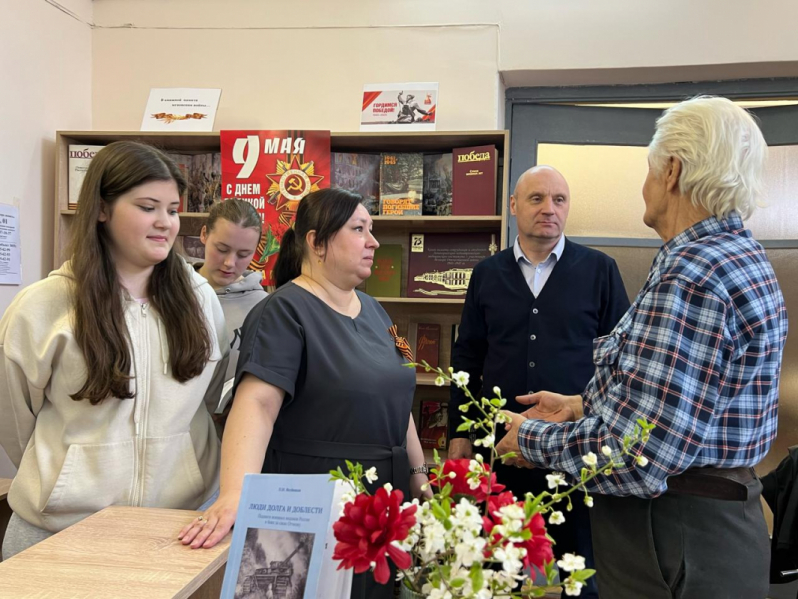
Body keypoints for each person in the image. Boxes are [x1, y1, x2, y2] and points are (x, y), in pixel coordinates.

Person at [497, 96, 788, 599]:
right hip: (700, 527)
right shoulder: (732, 256)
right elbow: (683, 404)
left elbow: (638, 455)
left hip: (675, 534)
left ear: (672, 170)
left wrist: (529, 439)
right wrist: (582, 406)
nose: (645, 186)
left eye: (650, 169)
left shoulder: (693, 275)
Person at [179, 188, 430, 599]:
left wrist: (420, 477)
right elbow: (256, 405)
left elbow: (397, 401)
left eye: (372, 230)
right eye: (359, 229)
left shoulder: (374, 311)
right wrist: (235, 494)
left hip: (384, 500)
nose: (373, 242)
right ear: (316, 242)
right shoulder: (283, 311)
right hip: (311, 503)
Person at [0, 141, 228, 559]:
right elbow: (14, 422)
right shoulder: (43, 307)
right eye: (147, 207)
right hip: (58, 533)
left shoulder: (200, 299)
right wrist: (67, 476)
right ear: (102, 209)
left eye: (173, 210)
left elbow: (208, 398)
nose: (165, 223)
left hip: (179, 528)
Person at [448, 165, 630, 599]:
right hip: (500, 447)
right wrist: (459, 432)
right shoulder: (486, 275)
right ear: (513, 206)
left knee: (578, 568)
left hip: (575, 447)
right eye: (536, 199)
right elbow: (467, 356)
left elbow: (622, 363)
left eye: (559, 200)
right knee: (497, 565)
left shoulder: (600, 271)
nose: (549, 209)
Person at [195, 199, 267, 419]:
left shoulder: (265, 308)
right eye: (222, 249)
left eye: (243, 254)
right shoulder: (171, 294)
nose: (229, 263)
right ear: (204, 234)